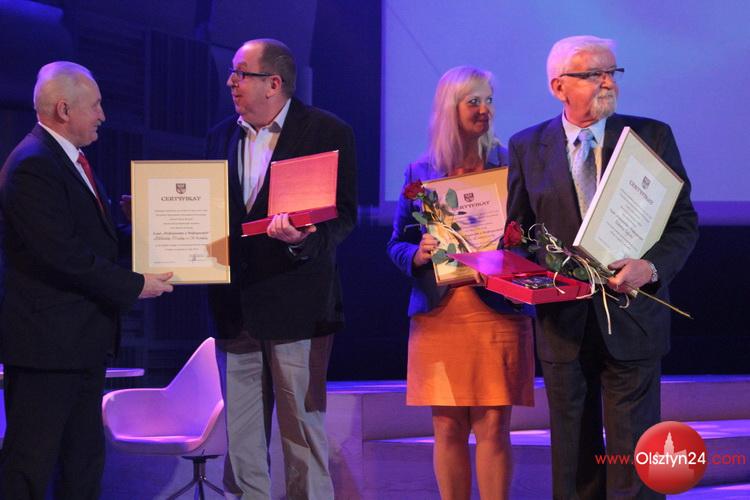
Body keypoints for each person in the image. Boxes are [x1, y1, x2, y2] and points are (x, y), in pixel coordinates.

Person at [506, 36, 699, 499]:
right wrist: (524, 274)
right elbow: (517, 234)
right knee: (575, 458)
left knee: (636, 457)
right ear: (558, 87)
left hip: (633, 315)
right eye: (594, 74)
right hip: (563, 324)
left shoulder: (650, 137)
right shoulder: (526, 146)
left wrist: (650, 268)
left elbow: (683, 222)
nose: (608, 82)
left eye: (612, 72)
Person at [0, 61, 173, 499]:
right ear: (64, 109)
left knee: (83, 464)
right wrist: (135, 285)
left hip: (79, 344)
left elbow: (92, 243)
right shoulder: (33, 165)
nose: (102, 115)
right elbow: (64, 256)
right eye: (95, 105)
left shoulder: (66, 159)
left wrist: (144, 229)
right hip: (46, 350)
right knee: (29, 466)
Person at [204, 38, 357, 499]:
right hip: (235, 310)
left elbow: (343, 216)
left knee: (302, 440)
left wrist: (302, 241)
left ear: (273, 83)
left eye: (240, 72)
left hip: (299, 309)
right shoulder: (220, 136)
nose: (230, 81)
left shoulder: (327, 131)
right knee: (242, 447)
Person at [387, 66, 534, 500]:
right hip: (441, 315)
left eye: (489, 100)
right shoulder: (420, 170)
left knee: (494, 425)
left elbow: (534, 236)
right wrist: (418, 254)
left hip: (497, 312)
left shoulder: (510, 164)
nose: (485, 109)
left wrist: (511, 250)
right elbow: (396, 243)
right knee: (448, 426)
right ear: (450, 107)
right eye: (474, 101)